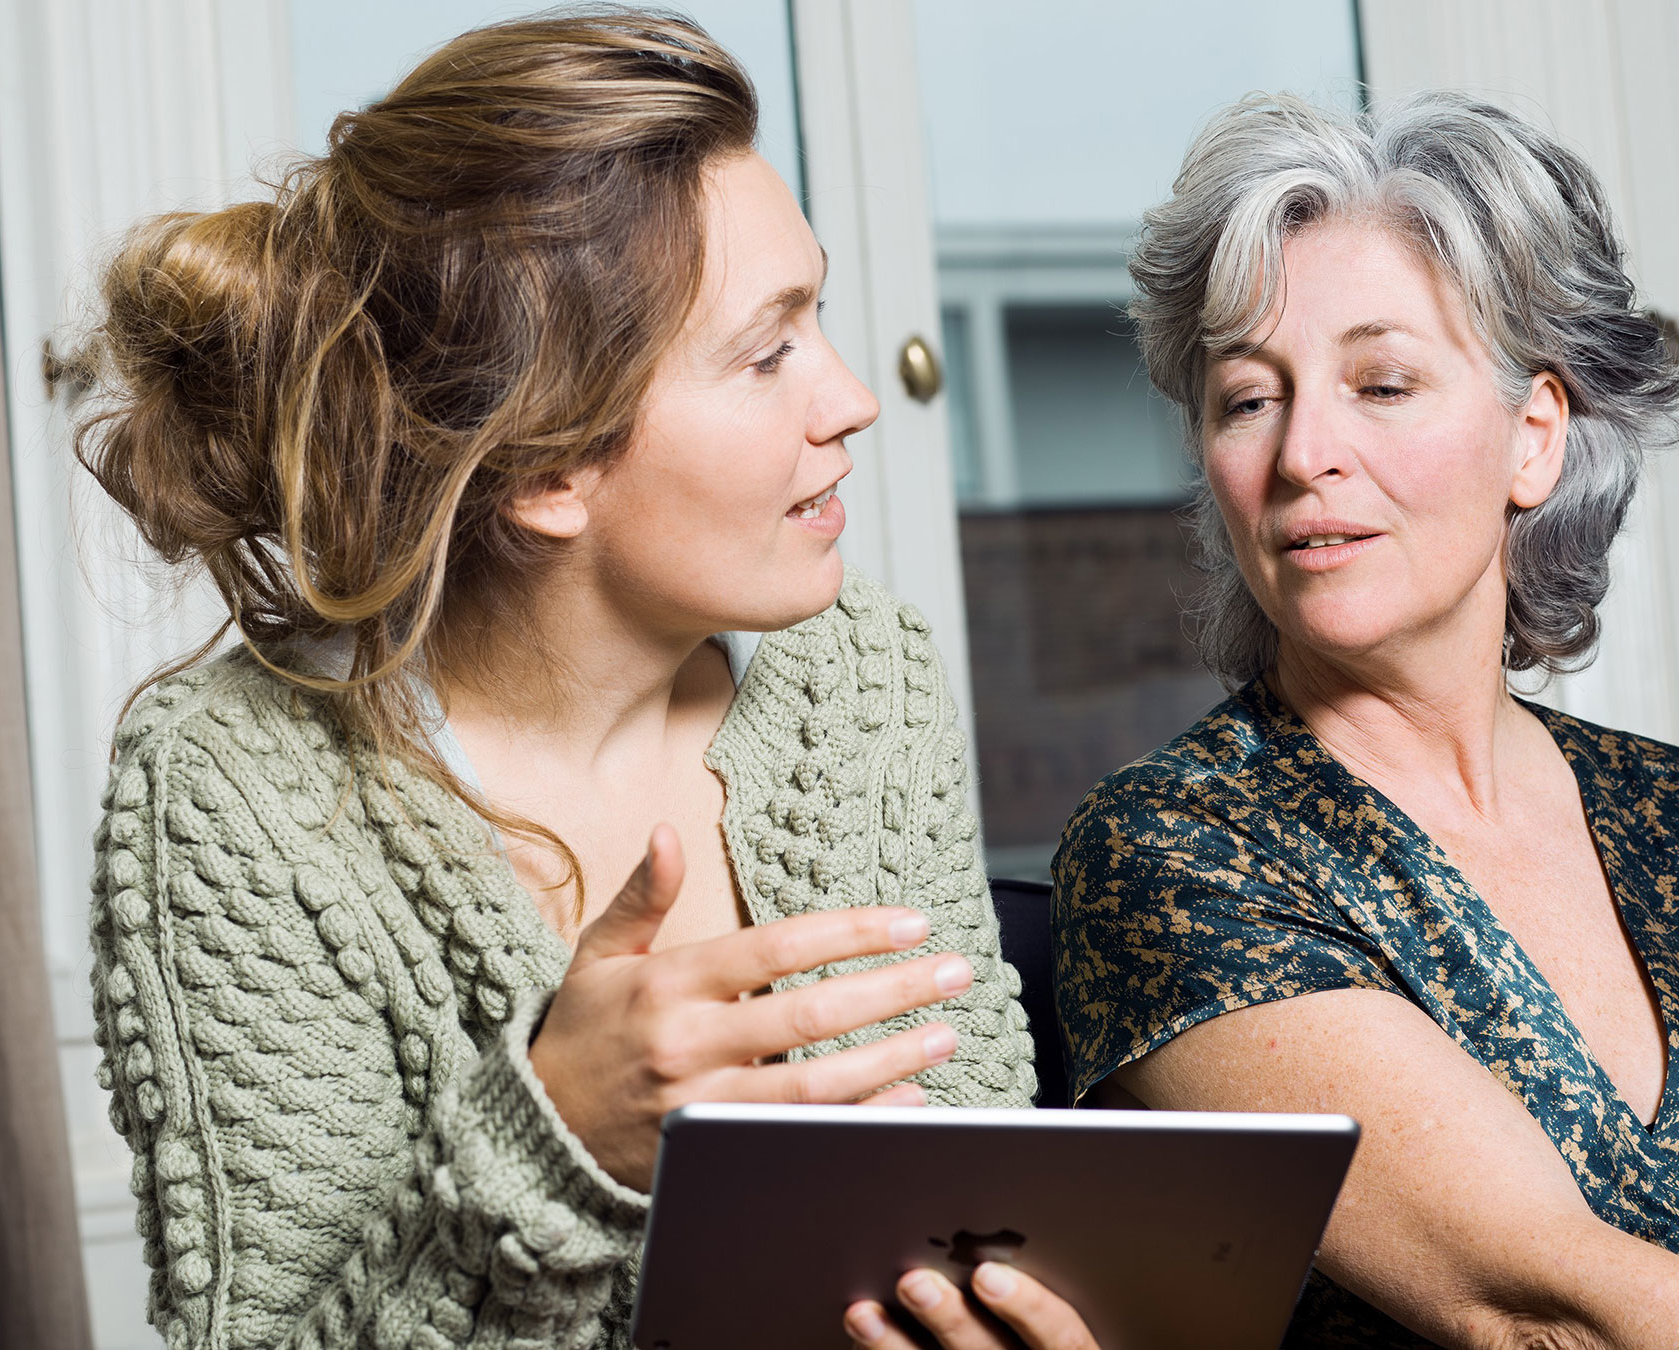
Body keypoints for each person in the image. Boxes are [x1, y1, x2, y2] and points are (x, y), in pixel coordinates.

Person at [81, 11, 1099, 1348]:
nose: (849, 395)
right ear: (550, 463)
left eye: (821, 315)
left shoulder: (864, 680)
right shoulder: (233, 791)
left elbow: (973, 1198)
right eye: (767, 350)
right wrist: (557, 1137)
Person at [1053, 91, 1679, 1348]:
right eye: (1246, 399)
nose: (1304, 450)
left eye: (1380, 383)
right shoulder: (1176, 852)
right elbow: (1547, 1309)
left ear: (1534, 439)